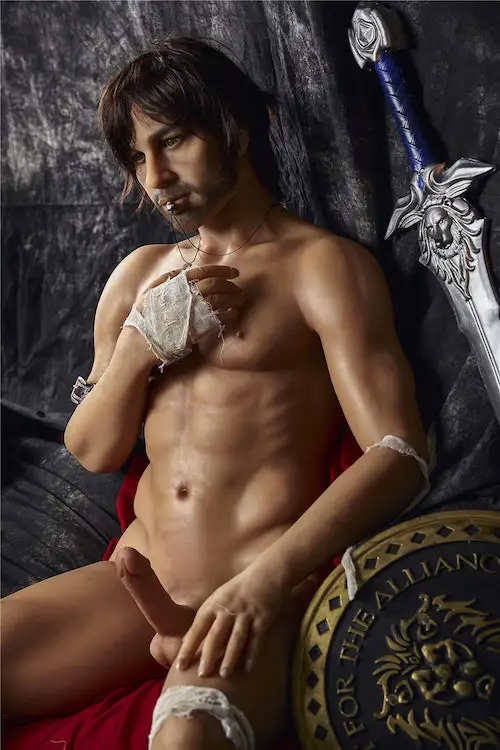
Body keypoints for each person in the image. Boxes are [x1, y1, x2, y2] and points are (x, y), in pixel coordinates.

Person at [1, 35, 429, 750]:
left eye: (172, 141)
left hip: (253, 587)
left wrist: (265, 584)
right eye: (137, 157)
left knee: (188, 738)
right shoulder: (139, 275)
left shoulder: (321, 267)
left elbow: (400, 452)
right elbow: (93, 448)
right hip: (136, 586)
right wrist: (141, 345)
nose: (156, 177)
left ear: (236, 127)